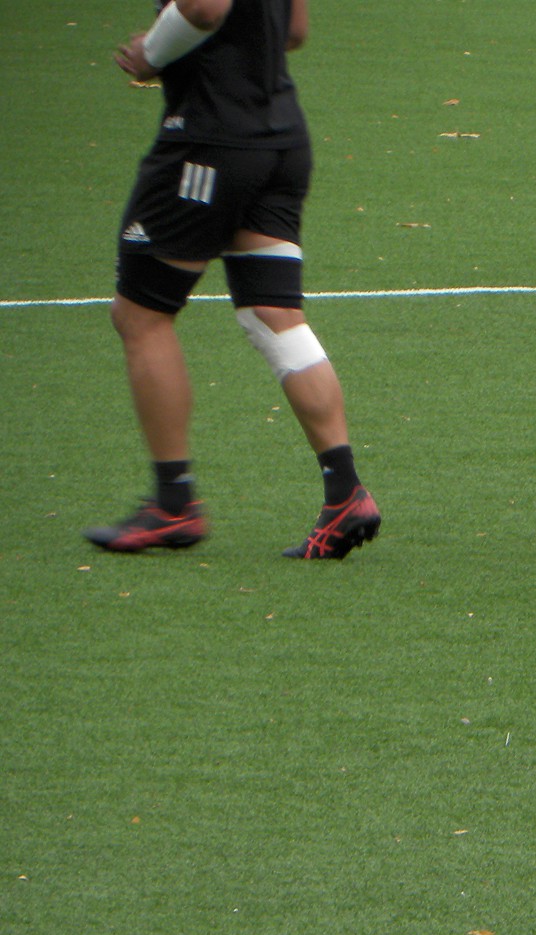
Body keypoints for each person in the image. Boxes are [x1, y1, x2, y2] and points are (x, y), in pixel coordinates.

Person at [87, 0, 380, 559]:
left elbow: (204, 7)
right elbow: (294, 30)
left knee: (141, 315)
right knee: (273, 314)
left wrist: (152, 53)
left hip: (209, 141)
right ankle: (345, 493)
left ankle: (173, 503)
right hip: (280, 135)